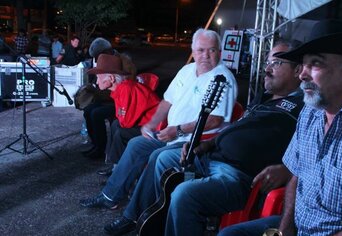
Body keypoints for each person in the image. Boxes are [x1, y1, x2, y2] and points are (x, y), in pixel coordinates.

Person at [99, 39, 305, 236]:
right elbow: (234, 129)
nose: (267, 68)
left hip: (237, 174)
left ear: (298, 70)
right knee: (159, 157)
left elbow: (311, 154)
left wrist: (288, 169)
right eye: (267, 62)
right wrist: (205, 144)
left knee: (183, 194)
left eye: (276, 62)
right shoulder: (261, 99)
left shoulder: (304, 108)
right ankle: (149, 219)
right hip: (209, 154)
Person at [218, 19, 342, 236]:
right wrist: (285, 229)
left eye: (316, 63)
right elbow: (296, 177)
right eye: (303, 64)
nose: (302, 74)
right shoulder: (310, 114)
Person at [79, 28, 238, 214]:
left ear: (219, 51)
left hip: (195, 143)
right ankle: (109, 197)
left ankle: (137, 214)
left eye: (211, 50)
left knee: (157, 156)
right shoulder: (187, 70)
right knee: (136, 143)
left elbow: (214, 120)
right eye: (201, 50)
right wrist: (151, 124)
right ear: (193, 51)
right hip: (173, 134)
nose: (205, 55)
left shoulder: (222, 78)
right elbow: (166, 101)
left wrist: (177, 130)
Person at [87, 53, 160, 177]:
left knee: (122, 131)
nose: (96, 81)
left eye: (99, 77)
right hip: (146, 125)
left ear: (111, 78)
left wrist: (121, 119)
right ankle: (115, 165)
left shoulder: (126, 89)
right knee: (116, 124)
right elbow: (121, 118)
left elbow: (126, 122)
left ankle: (118, 171)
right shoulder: (120, 89)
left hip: (156, 130)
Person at [80, 37, 138, 162]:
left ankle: (101, 148)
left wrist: (97, 93)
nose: (97, 60)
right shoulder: (106, 59)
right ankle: (96, 144)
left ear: (107, 51)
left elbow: (126, 89)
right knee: (88, 110)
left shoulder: (124, 62)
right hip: (110, 97)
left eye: (98, 56)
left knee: (96, 113)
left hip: (122, 102)